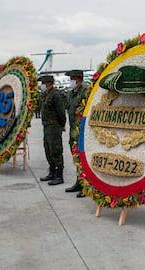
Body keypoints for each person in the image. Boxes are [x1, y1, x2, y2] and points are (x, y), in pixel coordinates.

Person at [64, 70, 88, 198]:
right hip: (73, 131)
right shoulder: (70, 93)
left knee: (84, 159)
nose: (71, 80)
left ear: (79, 78)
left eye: (73, 78)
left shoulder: (86, 91)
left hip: (82, 132)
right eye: (70, 78)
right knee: (76, 158)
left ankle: (86, 186)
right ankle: (79, 183)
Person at [38, 75, 67, 185]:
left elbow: (61, 112)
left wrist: (62, 124)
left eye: (43, 83)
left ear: (48, 83)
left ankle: (59, 176)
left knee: (56, 151)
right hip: (46, 126)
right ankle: (52, 172)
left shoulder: (55, 95)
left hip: (54, 126)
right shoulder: (46, 94)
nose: (41, 85)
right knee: (48, 150)